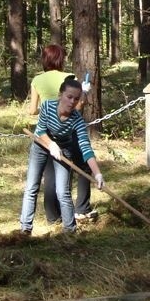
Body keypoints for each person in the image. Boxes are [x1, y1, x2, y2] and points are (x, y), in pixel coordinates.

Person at [21, 76, 105, 234]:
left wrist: (97, 173)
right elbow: (39, 131)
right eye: (69, 96)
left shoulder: (77, 120)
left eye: (76, 98)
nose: (72, 101)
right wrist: (50, 144)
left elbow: (86, 148)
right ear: (60, 95)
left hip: (64, 150)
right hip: (40, 145)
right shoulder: (47, 106)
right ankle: (25, 229)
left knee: (63, 191)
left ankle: (70, 230)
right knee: (32, 187)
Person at [28, 45, 97, 223]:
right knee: (82, 166)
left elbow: (32, 110)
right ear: (60, 59)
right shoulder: (69, 78)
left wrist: (46, 109)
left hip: (47, 133)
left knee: (50, 173)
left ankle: (53, 216)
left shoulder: (37, 80)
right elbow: (77, 107)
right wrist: (84, 94)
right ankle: (81, 208)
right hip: (68, 129)